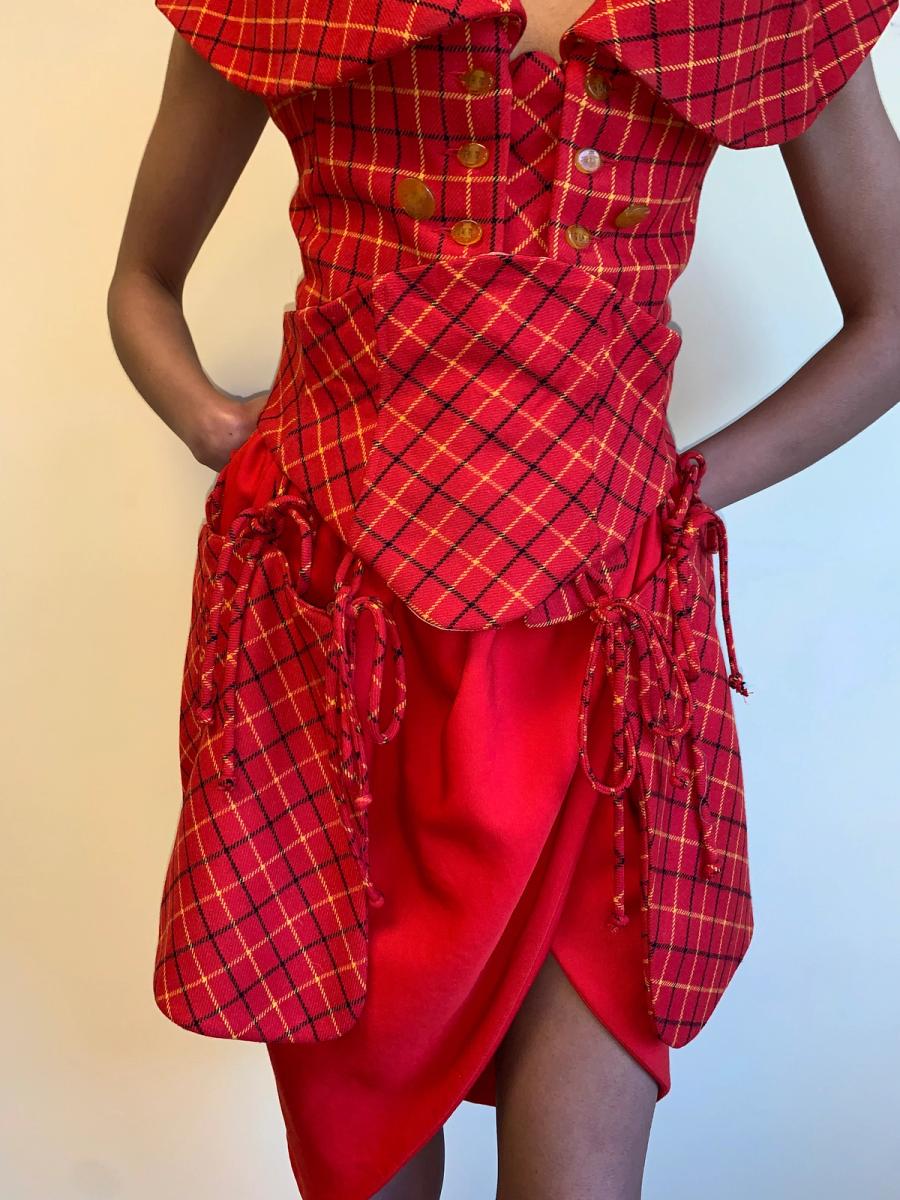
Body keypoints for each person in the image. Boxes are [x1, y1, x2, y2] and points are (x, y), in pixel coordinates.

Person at [107, 1, 900, 1197]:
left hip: (606, 680)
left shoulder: (763, 8)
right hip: (338, 657)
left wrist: (684, 487)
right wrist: (216, 424)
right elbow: (141, 280)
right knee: (365, 1167)